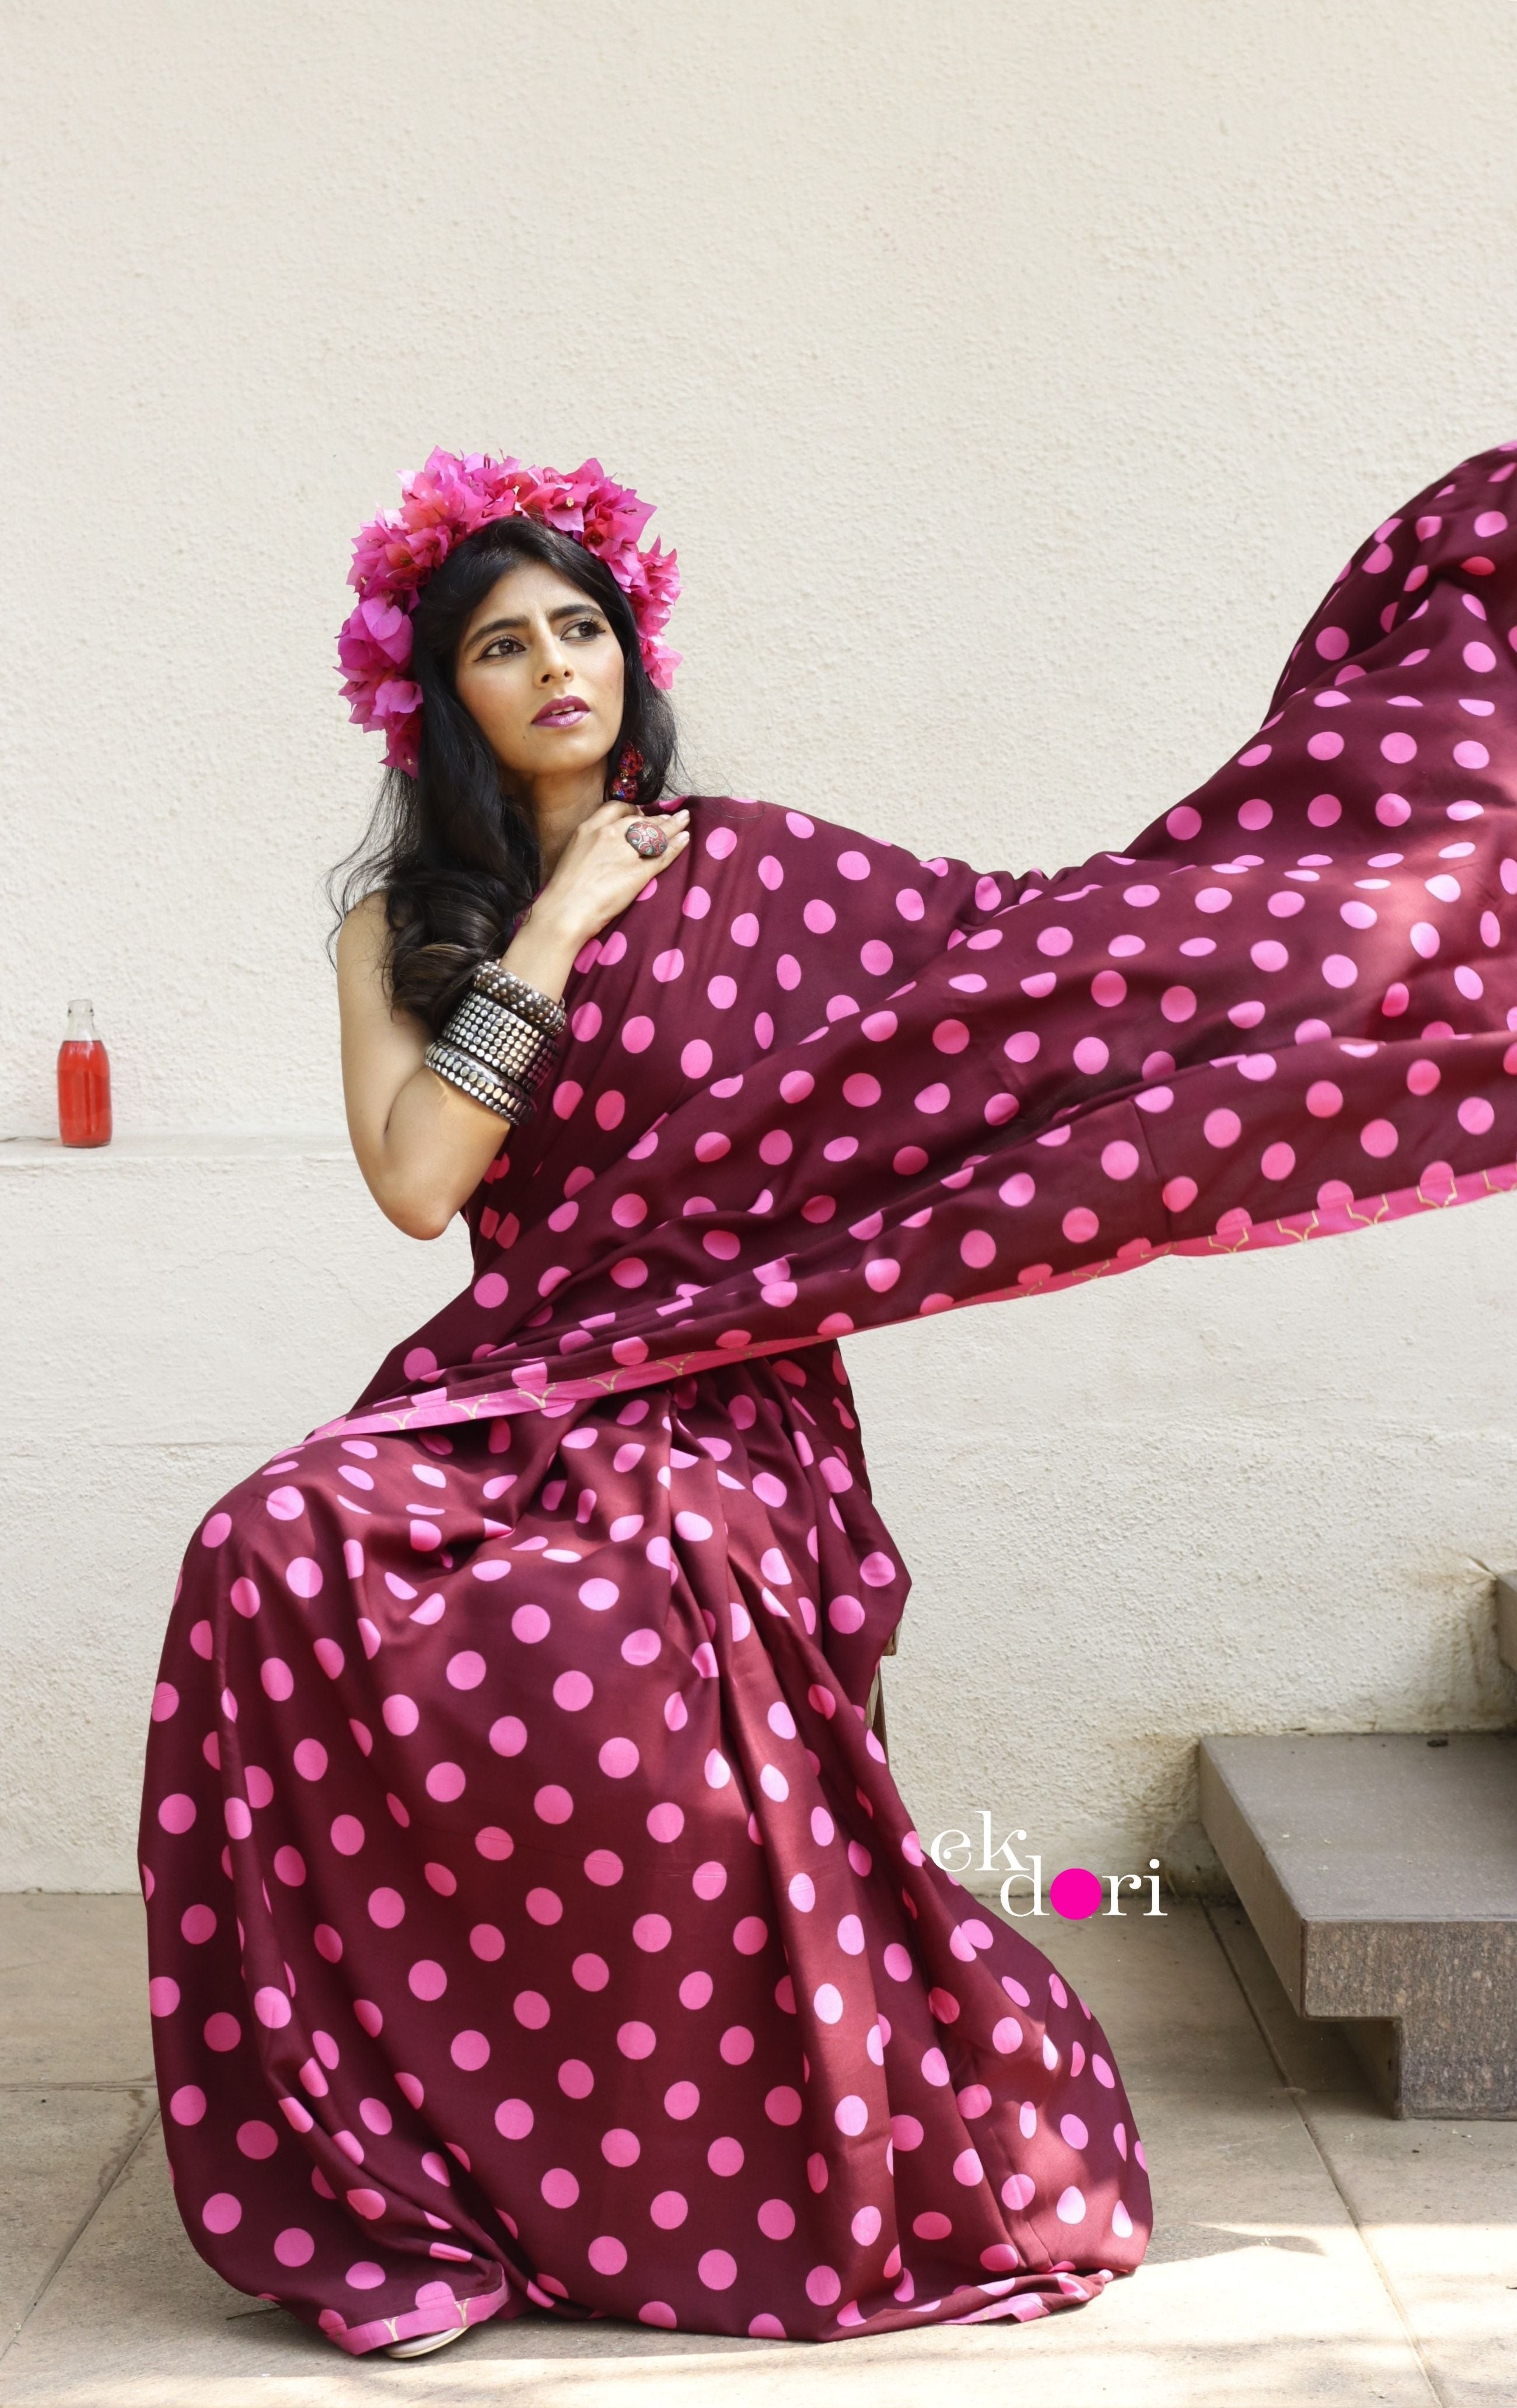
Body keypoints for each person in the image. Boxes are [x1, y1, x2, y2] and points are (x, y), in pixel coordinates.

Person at [141, 442, 1517, 2360]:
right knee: (265, 1542)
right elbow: (420, 1183)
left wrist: (1366, 902)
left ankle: (700, 2152)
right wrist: (552, 929)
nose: (558, 669)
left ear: (632, 653)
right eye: (503, 648)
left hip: (721, 1410)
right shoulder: (401, 929)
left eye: (584, 629)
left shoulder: (768, 870)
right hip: (499, 1393)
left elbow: (1047, 956)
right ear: (434, 696)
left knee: (642, 1591)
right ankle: (420, 2157)